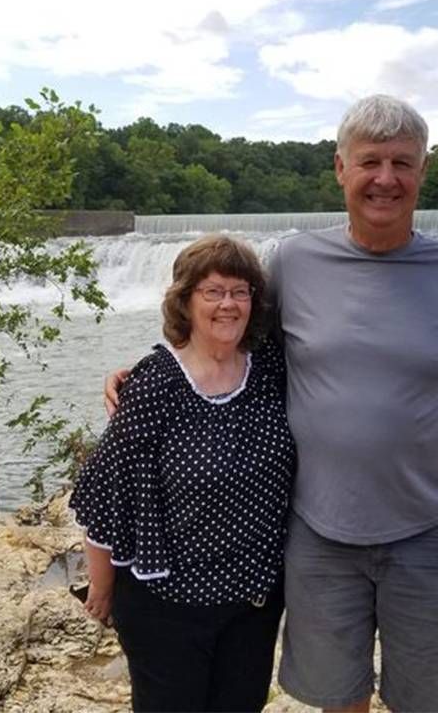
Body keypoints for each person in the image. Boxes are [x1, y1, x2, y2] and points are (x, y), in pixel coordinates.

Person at [106, 96, 438, 713]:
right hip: (317, 536)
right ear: (340, 168)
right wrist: (152, 370)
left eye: (402, 163)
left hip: (426, 538)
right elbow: (228, 337)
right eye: (370, 161)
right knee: (338, 699)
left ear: (423, 171)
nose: (386, 178)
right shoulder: (294, 263)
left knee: (429, 702)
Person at [72, 235, 295, 713]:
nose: (228, 304)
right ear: (185, 300)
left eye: (240, 291)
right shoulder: (154, 385)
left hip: (252, 603)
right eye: (213, 291)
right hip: (167, 606)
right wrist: (102, 586)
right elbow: (107, 492)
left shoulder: (271, 369)